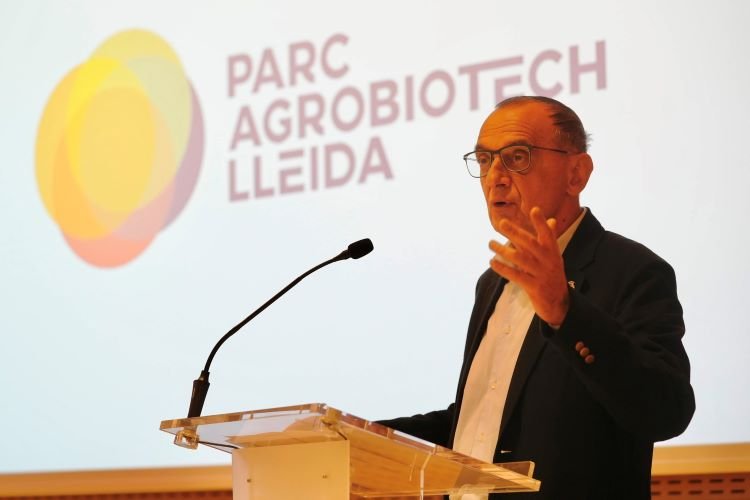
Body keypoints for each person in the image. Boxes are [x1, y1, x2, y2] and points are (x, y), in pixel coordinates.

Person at [378, 96, 695, 499]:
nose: (495, 176)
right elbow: (485, 420)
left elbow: (666, 411)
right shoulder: (491, 283)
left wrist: (566, 312)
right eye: (484, 160)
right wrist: (362, 436)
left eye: (517, 157)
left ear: (576, 174)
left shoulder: (631, 270)